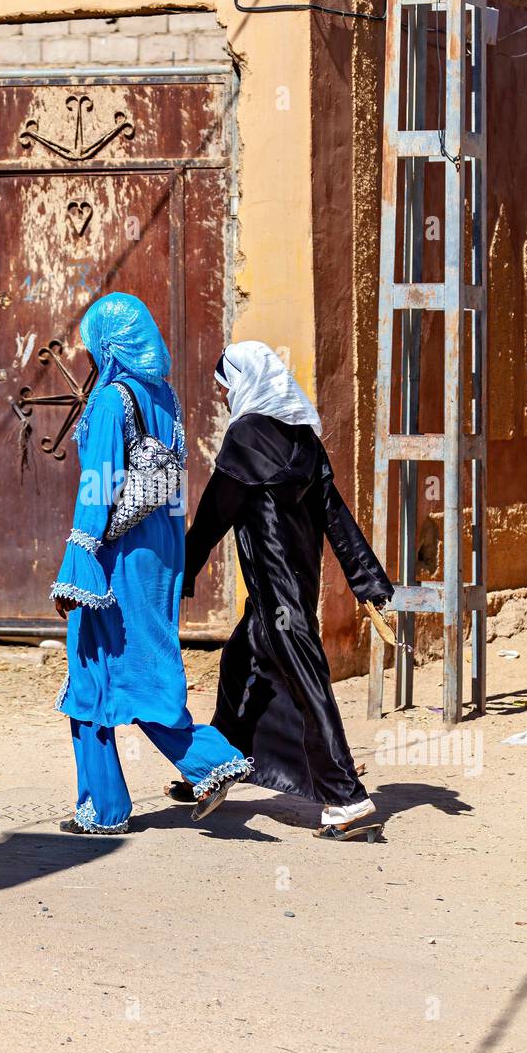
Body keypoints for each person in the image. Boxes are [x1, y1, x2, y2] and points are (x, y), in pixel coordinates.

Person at [173, 340, 394, 842]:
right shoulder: (303, 438)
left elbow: (215, 513)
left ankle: (345, 798)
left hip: (277, 595)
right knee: (236, 665)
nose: (225, 396)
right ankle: (214, 768)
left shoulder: (247, 436)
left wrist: (180, 568)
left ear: (245, 382)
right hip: (289, 590)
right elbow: (335, 515)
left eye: (225, 386)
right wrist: (367, 580)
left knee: (308, 687)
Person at [50, 292, 252, 835]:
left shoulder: (114, 399)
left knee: (110, 670)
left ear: (109, 343)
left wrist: (78, 562)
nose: (87, 352)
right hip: (157, 553)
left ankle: (199, 765)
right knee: (122, 668)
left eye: (93, 341)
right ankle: (109, 804)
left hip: (115, 558)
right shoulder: (162, 396)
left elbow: (98, 486)